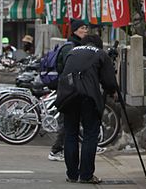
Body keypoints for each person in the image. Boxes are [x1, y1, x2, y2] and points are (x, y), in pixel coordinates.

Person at [55, 34, 118, 184]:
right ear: (99, 44)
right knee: (90, 134)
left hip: (68, 95)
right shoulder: (100, 54)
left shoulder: (72, 51)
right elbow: (109, 81)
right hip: (88, 97)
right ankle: (86, 175)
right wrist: (113, 91)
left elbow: (62, 70)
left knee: (71, 133)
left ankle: (71, 174)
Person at [48, 19, 89, 162]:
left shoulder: (75, 45)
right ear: (75, 30)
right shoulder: (71, 47)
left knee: (70, 120)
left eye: (86, 28)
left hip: (71, 89)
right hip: (69, 89)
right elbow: (70, 68)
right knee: (66, 121)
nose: (86, 30)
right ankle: (56, 150)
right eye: (83, 28)